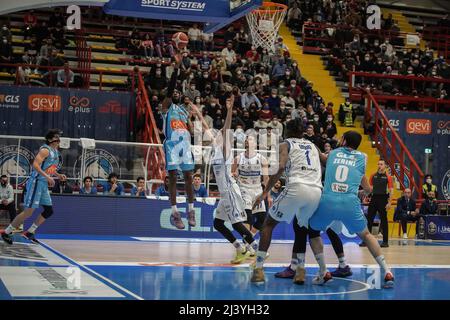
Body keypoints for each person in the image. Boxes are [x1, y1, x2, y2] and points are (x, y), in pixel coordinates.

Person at [308, 131, 394, 288]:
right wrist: (362, 192)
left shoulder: (333, 153)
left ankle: (323, 272)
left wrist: (311, 145)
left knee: (313, 232)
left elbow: (321, 157)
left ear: (344, 140)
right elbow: (367, 189)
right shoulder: (363, 158)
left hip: (329, 201)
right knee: (367, 235)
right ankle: (387, 272)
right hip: (350, 203)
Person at [250, 118, 323, 284]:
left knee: (268, 224)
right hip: (316, 190)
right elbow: (326, 159)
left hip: (297, 187)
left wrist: (265, 192)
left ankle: (259, 269)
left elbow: (281, 167)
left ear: (287, 131)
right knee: (302, 227)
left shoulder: (285, 144)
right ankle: (300, 271)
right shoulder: (313, 145)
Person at [192, 96, 259, 264]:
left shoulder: (225, 149)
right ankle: (240, 248)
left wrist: (229, 109)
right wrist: (198, 114)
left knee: (237, 224)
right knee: (218, 223)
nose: (219, 132)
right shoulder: (215, 147)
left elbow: (227, 126)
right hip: (224, 194)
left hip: (230, 191)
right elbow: (207, 128)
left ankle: (258, 251)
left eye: (222, 132)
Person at [1, 129, 65, 244]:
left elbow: (49, 167)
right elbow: (35, 165)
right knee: (29, 212)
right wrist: (48, 177)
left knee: (49, 210)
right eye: (56, 138)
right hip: (36, 182)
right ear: (50, 139)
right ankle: (7, 232)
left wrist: (57, 175)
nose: (59, 140)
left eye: (59, 138)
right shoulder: (45, 150)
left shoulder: (55, 151)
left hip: (43, 183)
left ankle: (30, 232)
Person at [161, 53, 196, 229]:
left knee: (189, 177)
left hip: (185, 145)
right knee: (173, 177)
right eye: (173, 92)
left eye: (177, 92)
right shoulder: (166, 107)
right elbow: (171, 88)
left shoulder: (183, 111)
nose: (175, 92)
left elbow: (191, 130)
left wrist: (191, 120)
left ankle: (191, 210)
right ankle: (175, 213)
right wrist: (176, 67)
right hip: (172, 145)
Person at [232, 135, 271, 237]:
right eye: (246, 140)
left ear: (255, 143)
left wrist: (269, 195)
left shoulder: (262, 159)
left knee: (262, 218)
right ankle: (248, 244)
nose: (247, 141)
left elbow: (266, 179)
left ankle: (249, 239)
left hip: (257, 190)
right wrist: (234, 175)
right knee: (248, 217)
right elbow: (231, 174)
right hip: (244, 189)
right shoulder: (238, 158)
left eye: (250, 139)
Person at [361, 159, 393, 248]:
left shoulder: (388, 177)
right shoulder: (373, 176)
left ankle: (385, 242)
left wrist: (389, 203)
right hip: (374, 198)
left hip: (383, 199)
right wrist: (366, 197)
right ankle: (365, 241)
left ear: (385, 166)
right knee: (369, 220)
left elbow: (391, 191)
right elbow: (370, 188)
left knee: (384, 220)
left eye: (381, 164)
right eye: (378, 164)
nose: (379, 165)